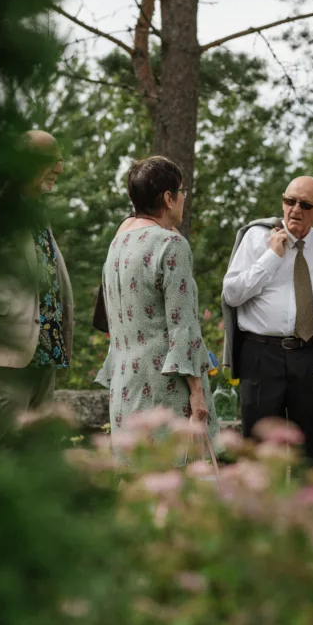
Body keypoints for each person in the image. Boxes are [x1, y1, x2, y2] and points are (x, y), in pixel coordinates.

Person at [0, 130, 73, 446]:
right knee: (2, 450)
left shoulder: (37, 211)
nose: (60, 168)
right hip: (11, 357)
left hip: (46, 355)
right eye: (53, 159)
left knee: (37, 456)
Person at [99, 155, 218, 457]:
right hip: (166, 392)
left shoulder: (117, 245)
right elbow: (184, 326)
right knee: (176, 488)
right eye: (182, 191)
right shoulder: (170, 244)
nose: (183, 199)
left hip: (125, 386)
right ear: (168, 198)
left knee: (137, 484)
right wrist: (197, 394)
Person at [222, 177, 313, 475]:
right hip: (261, 355)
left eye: (305, 204)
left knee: (309, 452)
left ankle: (307, 519)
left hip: (308, 356)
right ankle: (259, 520)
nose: (295, 209)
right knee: (259, 451)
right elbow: (231, 294)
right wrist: (271, 257)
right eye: (289, 201)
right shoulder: (255, 239)